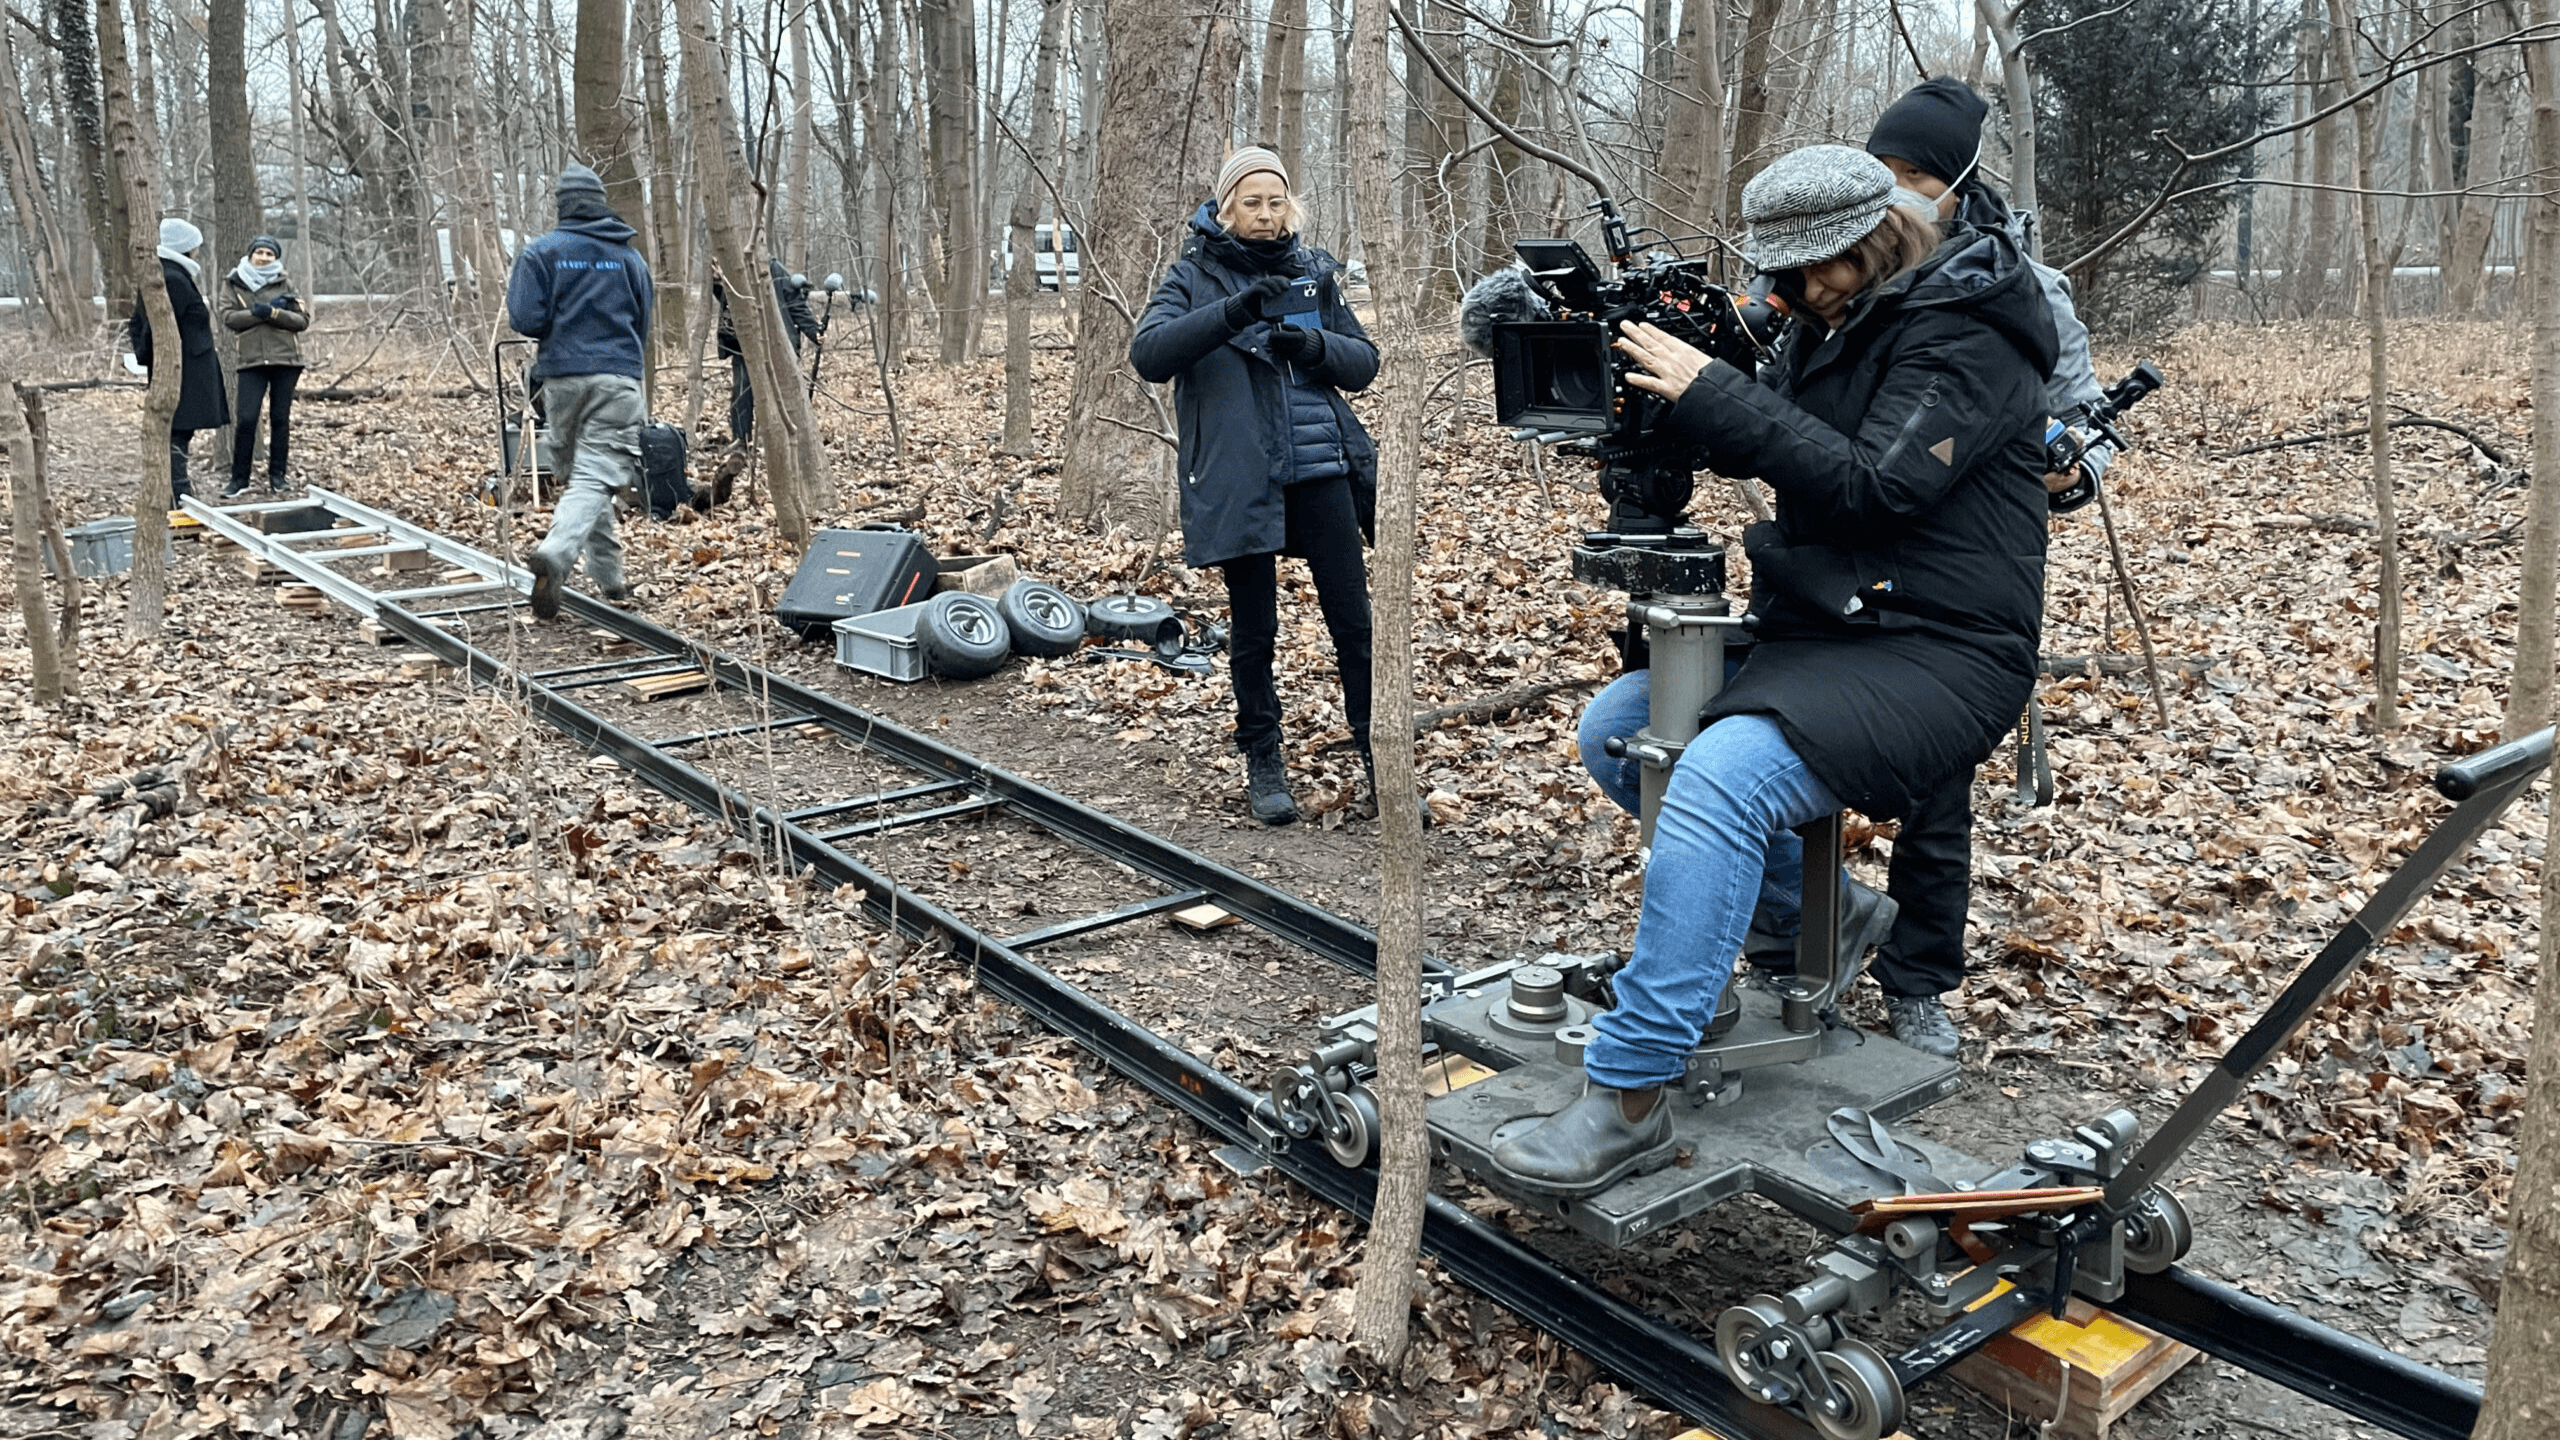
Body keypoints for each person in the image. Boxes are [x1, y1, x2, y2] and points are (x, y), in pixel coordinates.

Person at [1494, 145, 2057, 1197]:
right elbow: (1774, 430)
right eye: (1777, 276)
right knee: (1620, 729)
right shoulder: (1840, 320)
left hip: (1941, 649)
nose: (1781, 295)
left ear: (1872, 247)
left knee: (1718, 776)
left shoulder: (1966, 339)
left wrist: (1718, 394)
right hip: (1829, 626)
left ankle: (1629, 1095)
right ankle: (1823, 917)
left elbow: (1871, 489)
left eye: (1801, 274)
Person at [1129, 146, 1385, 826]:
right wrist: (1238, 311)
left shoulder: (1312, 272)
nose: (1267, 214)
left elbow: (1365, 364)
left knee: (1354, 625)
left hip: (1321, 468)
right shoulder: (1193, 275)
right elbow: (1150, 353)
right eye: (1252, 202)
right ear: (1225, 208)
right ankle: (1264, 760)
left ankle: (1379, 761)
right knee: (1254, 629)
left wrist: (1316, 348)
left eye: (1276, 202)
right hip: (1242, 475)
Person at [505, 162, 653, 618]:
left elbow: (525, 320)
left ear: (562, 206)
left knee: (585, 478)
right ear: (601, 201)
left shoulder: (540, 253)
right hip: (618, 378)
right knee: (596, 477)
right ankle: (557, 551)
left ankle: (612, 583)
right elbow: (644, 321)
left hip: (562, 379)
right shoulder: (629, 258)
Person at [128, 218, 229, 502]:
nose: (199, 249)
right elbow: (152, 326)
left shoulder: (173, 274)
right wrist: (147, 358)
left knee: (181, 432)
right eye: (195, 244)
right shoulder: (172, 278)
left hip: (189, 368)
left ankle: (179, 489)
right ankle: (177, 492)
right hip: (184, 371)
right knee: (178, 431)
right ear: (186, 247)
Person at [216, 234, 311, 497]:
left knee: (281, 419)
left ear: (276, 258)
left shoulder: (286, 282)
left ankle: (278, 477)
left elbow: (302, 320)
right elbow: (228, 317)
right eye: (260, 252)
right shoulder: (233, 283)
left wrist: (273, 313)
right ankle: (239, 480)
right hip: (251, 361)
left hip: (286, 360)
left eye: (270, 254)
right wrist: (254, 313)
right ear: (250, 255)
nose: (264, 258)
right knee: (247, 419)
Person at [714, 256, 824, 444]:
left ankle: (795, 439)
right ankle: (741, 442)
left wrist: (814, 331)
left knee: (785, 394)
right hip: (744, 344)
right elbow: (726, 300)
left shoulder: (773, 269)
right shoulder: (730, 268)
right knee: (742, 393)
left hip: (777, 344)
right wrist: (717, 282)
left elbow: (795, 304)